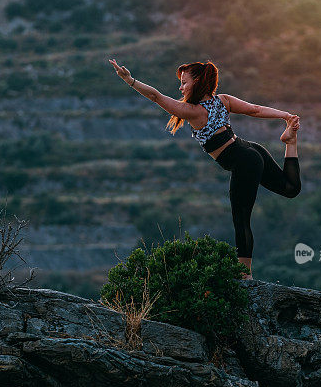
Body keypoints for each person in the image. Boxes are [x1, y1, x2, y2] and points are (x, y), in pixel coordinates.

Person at [109, 58, 301, 280]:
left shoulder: (193, 111)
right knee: (290, 188)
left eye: (184, 82)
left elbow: (156, 96)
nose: (180, 88)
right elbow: (255, 110)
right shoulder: (223, 100)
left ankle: (244, 276)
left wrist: (130, 80)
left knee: (241, 218)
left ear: (197, 82)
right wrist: (285, 115)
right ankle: (290, 142)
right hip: (251, 149)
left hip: (244, 160)